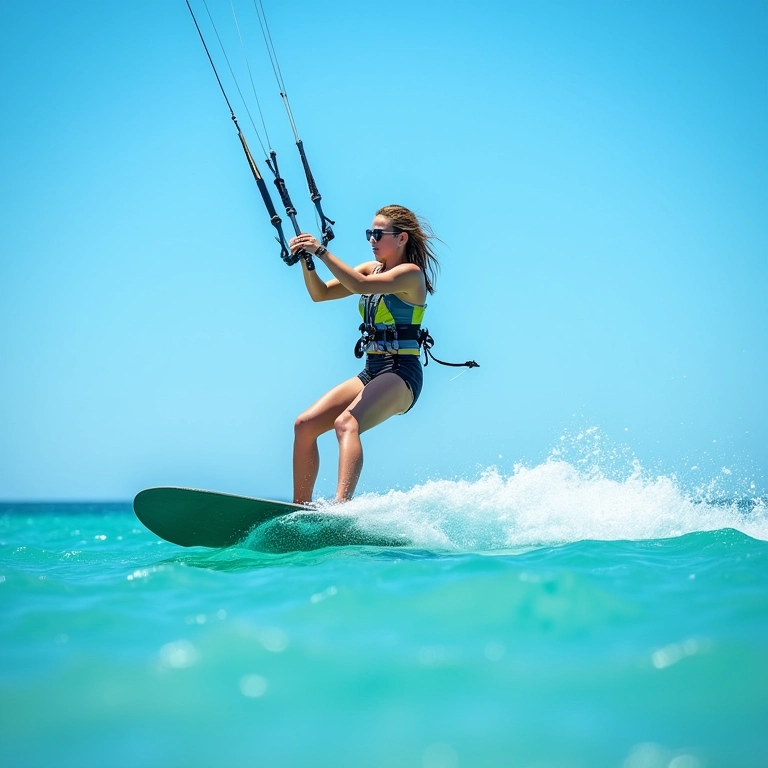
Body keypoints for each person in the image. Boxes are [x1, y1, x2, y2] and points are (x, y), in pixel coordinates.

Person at [288, 204, 439, 504]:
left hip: (401, 372)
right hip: (373, 370)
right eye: (369, 233)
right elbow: (320, 294)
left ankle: (341, 509)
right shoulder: (372, 268)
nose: (371, 239)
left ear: (401, 239)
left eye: (378, 234)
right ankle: (298, 509)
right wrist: (308, 261)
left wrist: (320, 251)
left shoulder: (410, 275)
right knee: (304, 426)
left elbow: (359, 285)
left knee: (347, 423)